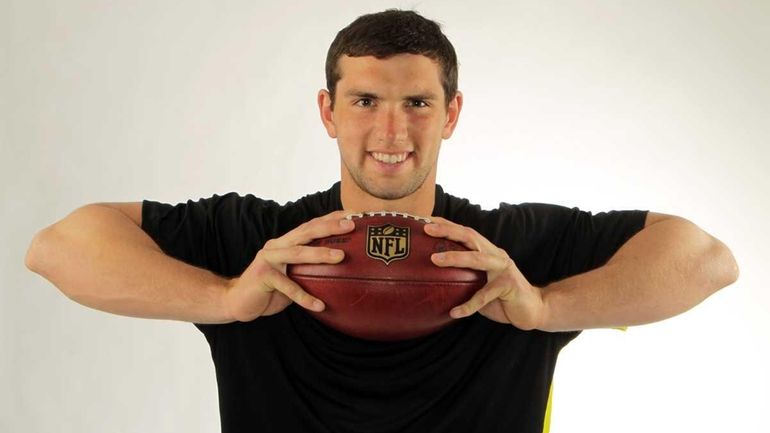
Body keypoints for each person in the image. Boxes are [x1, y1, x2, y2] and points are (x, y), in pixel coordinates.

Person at [25, 9, 738, 433]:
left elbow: (706, 258)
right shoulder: (261, 245)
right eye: (365, 101)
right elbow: (58, 246)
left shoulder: (509, 253)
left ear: (451, 113)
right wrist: (222, 297)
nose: (391, 130)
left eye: (418, 103)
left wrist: (546, 305)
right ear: (328, 111)